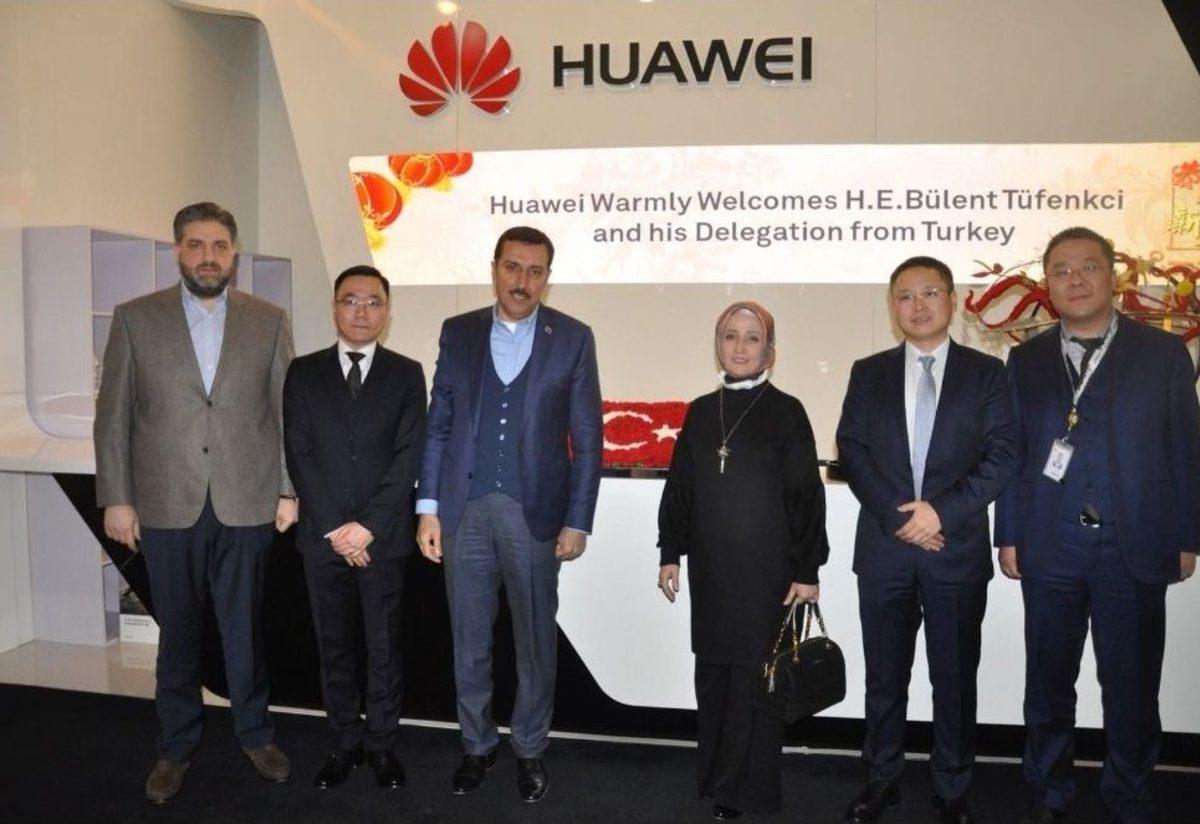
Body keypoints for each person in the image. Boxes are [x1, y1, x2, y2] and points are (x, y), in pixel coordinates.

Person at [94, 202, 298, 803]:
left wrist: (288, 488)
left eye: (219, 246)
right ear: (178, 250)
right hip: (165, 502)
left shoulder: (269, 320)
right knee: (177, 632)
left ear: (234, 254)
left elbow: (286, 411)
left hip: (248, 499)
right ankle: (175, 746)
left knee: (245, 630)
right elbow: (113, 415)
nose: (209, 256)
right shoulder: (135, 318)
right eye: (196, 245)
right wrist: (117, 497)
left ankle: (255, 734)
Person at [995, 227, 1200, 824]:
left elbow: (1187, 451)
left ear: (1113, 277)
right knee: (1048, 685)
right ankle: (1049, 792)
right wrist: (1008, 533)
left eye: (1088, 267)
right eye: (1061, 270)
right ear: (1047, 284)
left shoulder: (1164, 354)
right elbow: (1014, 454)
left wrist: (1188, 536)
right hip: (1049, 544)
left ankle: (1128, 796)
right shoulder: (1025, 359)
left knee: (1132, 688)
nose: (1075, 279)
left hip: (1133, 545)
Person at [415, 226, 603, 803]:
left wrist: (578, 519)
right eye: (513, 267)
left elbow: (587, 438)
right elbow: (439, 425)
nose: (522, 280)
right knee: (468, 639)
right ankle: (476, 745)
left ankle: (528, 747)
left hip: (535, 515)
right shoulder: (459, 331)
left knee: (535, 642)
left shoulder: (572, 338)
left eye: (535, 271)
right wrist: (428, 508)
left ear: (548, 277)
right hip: (464, 511)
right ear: (495, 268)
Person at [835, 257, 1016, 824]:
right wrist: (903, 520)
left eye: (929, 293)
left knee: (954, 680)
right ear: (893, 306)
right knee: (885, 679)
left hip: (955, 551)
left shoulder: (987, 373)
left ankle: (952, 788)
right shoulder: (868, 372)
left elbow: (1003, 455)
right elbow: (851, 449)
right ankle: (882, 779)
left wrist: (940, 513)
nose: (917, 305)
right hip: (885, 550)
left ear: (952, 301)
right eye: (905, 296)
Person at [657, 300, 828, 822]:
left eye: (752, 338)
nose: (739, 347)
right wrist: (670, 551)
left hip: (766, 575)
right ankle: (715, 779)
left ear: (770, 352)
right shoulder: (700, 412)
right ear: (718, 344)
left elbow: (807, 495)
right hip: (712, 572)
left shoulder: (788, 412)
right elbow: (680, 486)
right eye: (730, 336)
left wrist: (807, 569)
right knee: (713, 678)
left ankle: (744, 791)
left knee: (755, 682)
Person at [282, 265, 427, 791]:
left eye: (373, 302)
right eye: (350, 300)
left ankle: (382, 746)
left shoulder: (407, 374)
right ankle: (344, 744)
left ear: (387, 311)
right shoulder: (303, 372)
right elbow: (298, 452)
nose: (362, 311)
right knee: (335, 647)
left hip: (382, 541)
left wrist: (366, 528)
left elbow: (409, 456)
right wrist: (336, 530)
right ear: (334, 308)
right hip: (322, 541)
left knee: (384, 649)